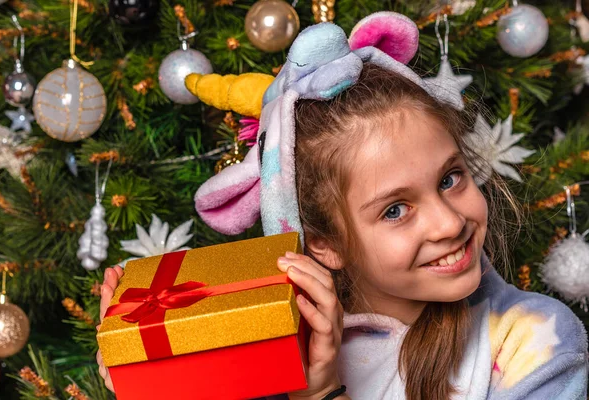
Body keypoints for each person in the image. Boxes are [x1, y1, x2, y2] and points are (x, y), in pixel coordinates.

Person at [96, 12, 588, 400]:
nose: (450, 221)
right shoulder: (269, 349)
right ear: (326, 243)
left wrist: (324, 395)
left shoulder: (535, 341)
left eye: (450, 178)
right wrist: (155, 377)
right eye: (395, 210)